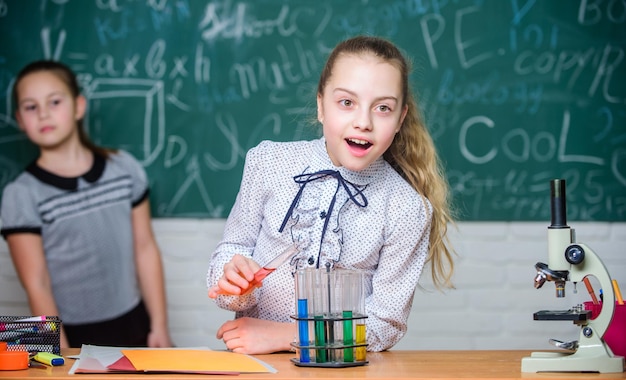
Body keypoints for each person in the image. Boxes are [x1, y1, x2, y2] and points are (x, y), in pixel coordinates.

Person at [206, 35, 455, 355]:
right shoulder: (268, 162)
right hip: (258, 366)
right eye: (347, 102)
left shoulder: (407, 208)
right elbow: (232, 249)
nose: (363, 122)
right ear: (321, 105)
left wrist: (285, 336)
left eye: (382, 108)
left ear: (399, 119)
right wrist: (235, 280)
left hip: (344, 370)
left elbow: (385, 324)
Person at [0, 60, 173, 349]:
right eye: (31, 107)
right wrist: (60, 352)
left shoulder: (124, 168)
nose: (43, 114)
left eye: (54, 102)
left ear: (78, 106)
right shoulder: (21, 195)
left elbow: (145, 248)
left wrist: (160, 327)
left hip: (136, 325)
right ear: (20, 119)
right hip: (73, 338)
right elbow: (36, 283)